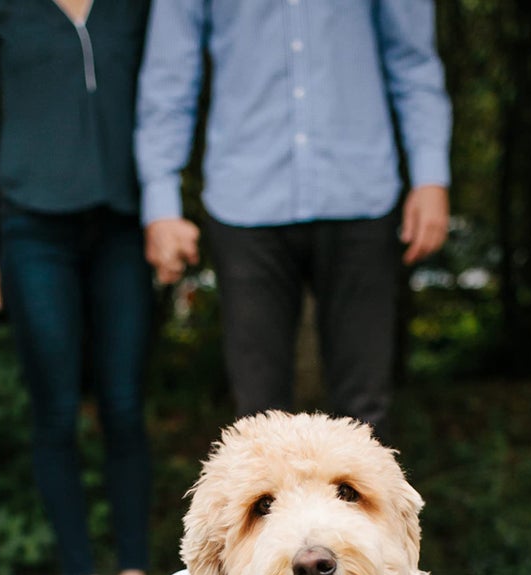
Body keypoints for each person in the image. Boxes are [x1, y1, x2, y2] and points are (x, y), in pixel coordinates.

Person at [135, 0, 452, 442]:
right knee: (256, 423)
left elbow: (413, 59)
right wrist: (161, 200)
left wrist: (431, 176)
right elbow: (169, 76)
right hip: (245, 200)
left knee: (367, 416)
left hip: (360, 191)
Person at [0, 0, 165, 575]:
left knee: (126, 407)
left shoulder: (134, 8)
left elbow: (162, 101)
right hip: (30, 226)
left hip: (122, 225)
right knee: (55, 411)